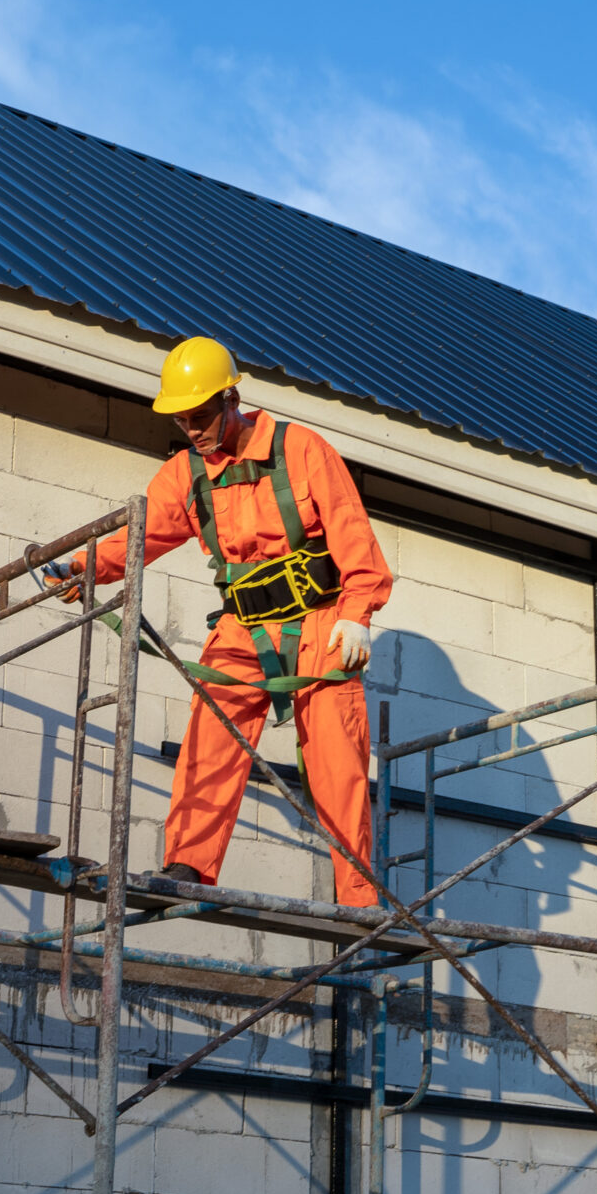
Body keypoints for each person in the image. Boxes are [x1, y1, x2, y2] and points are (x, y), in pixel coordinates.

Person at [44, 337, 394, 905]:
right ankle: (187, 867)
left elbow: (355, 537)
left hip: (320, 624)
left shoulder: (301, 451)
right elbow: (137, 540)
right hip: (242, 630)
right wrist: (79, 568)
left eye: (202, 415)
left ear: (231, 398)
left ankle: (356, 897)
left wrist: (358, 615)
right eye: (183, 420)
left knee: (337, 763)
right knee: (209, 744)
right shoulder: (186, 475)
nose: (194, 429)